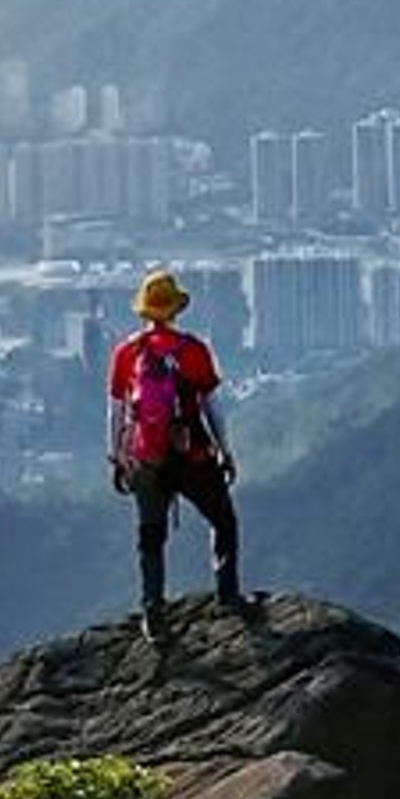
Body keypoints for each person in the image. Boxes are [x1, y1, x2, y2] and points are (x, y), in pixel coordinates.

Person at [108, 268, 250, 641]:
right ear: (175, 310)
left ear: (143, 310)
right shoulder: (193, 351)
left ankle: (153, 613)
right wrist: (225, 450)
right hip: (194, 456)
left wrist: (118, 457)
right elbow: (212, 406)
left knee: (150, 537)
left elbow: (116, 411)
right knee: (223, 521)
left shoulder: (126, 353)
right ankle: (228, 595)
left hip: (146, 458)